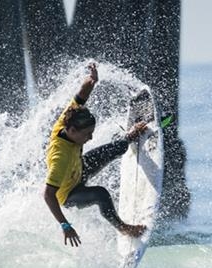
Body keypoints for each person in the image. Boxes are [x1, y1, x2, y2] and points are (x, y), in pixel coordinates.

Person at [43, 63, 147, 247]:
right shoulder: (60, 158)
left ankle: (131, 136)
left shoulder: (68, 119)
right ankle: (123, 228)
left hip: (78, 168)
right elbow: (48, 195)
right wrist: (65, 225)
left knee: (113, 148)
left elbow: (80, 97)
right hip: (69, 194)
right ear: (73, 130)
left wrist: (91, 81)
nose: (90, 138)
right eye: (86, 134)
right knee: (101, 194)